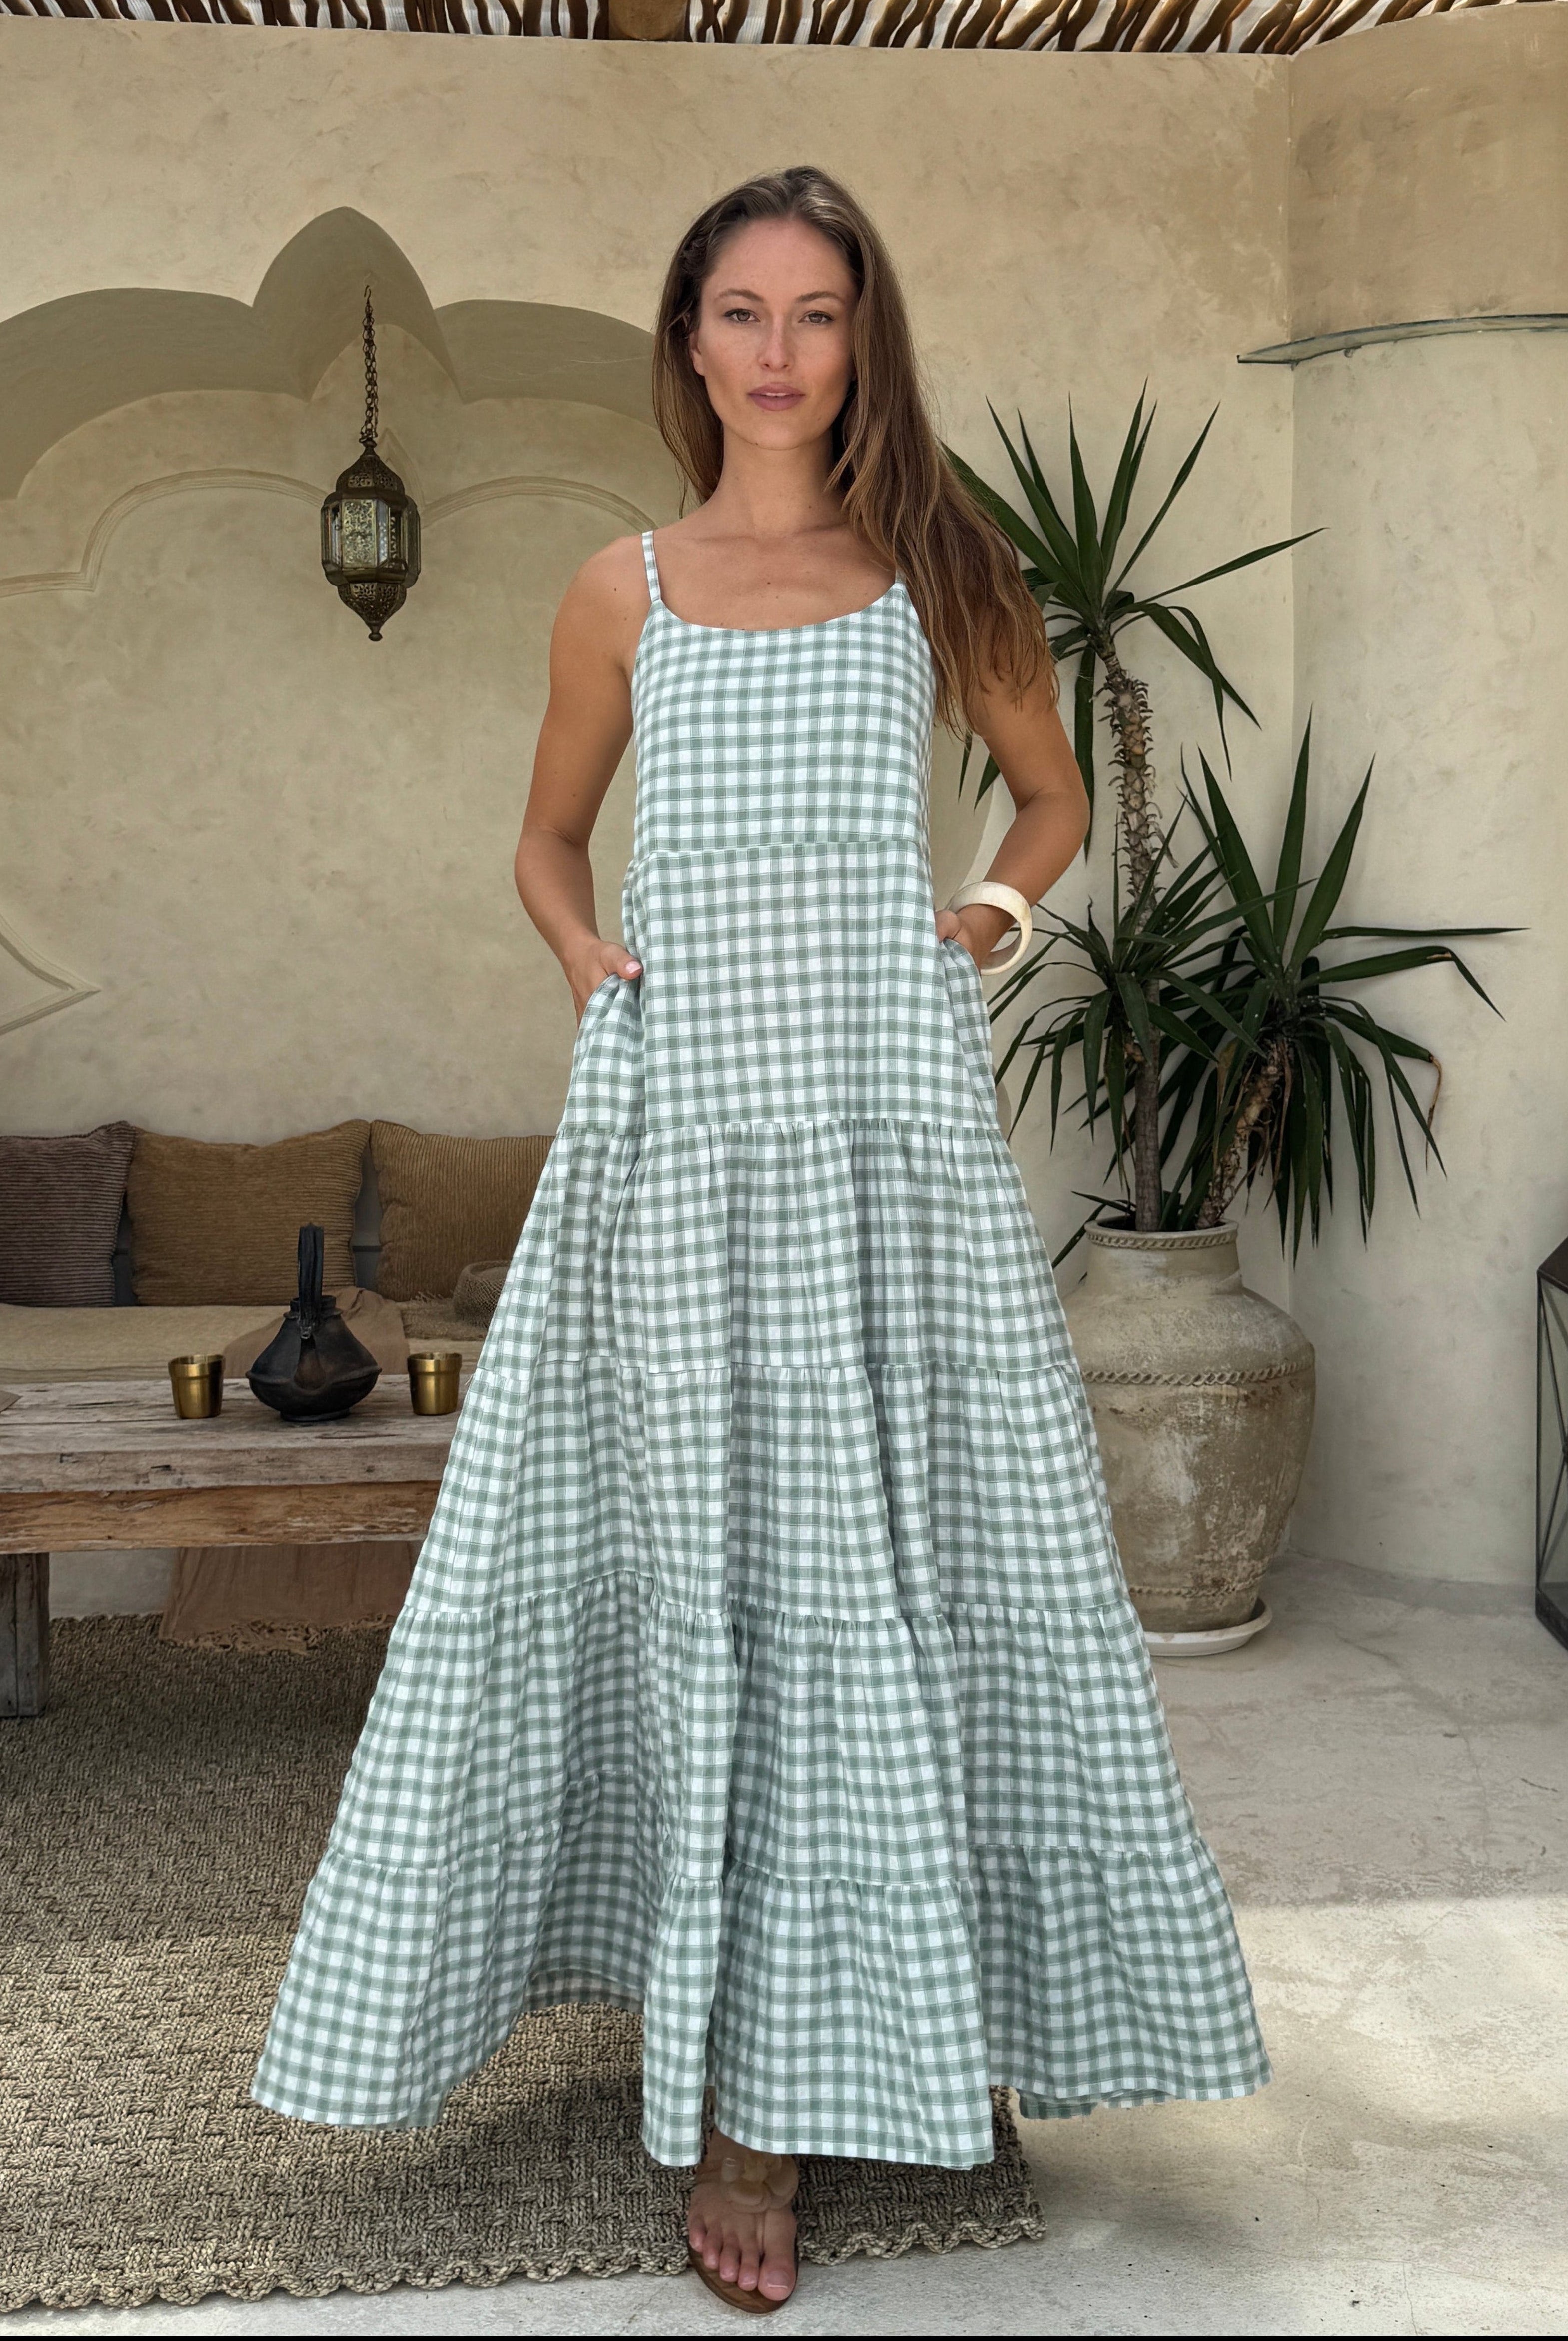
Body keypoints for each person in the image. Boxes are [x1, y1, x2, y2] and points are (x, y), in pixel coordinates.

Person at [252, 165, 1269, 2315]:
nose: (780, 350)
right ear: (689, 337)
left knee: (876, 1571)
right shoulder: (617, 585)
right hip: (676, 1135)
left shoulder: (938, 568)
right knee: (665, 1558)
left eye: (818, 313)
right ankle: (701, 2005)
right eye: (742, 311)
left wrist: (977, 920)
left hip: (885, 1143)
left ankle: (785, 2094)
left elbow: (1047, 798)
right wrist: (587, 959)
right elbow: (540, 837)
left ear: (858, 338)